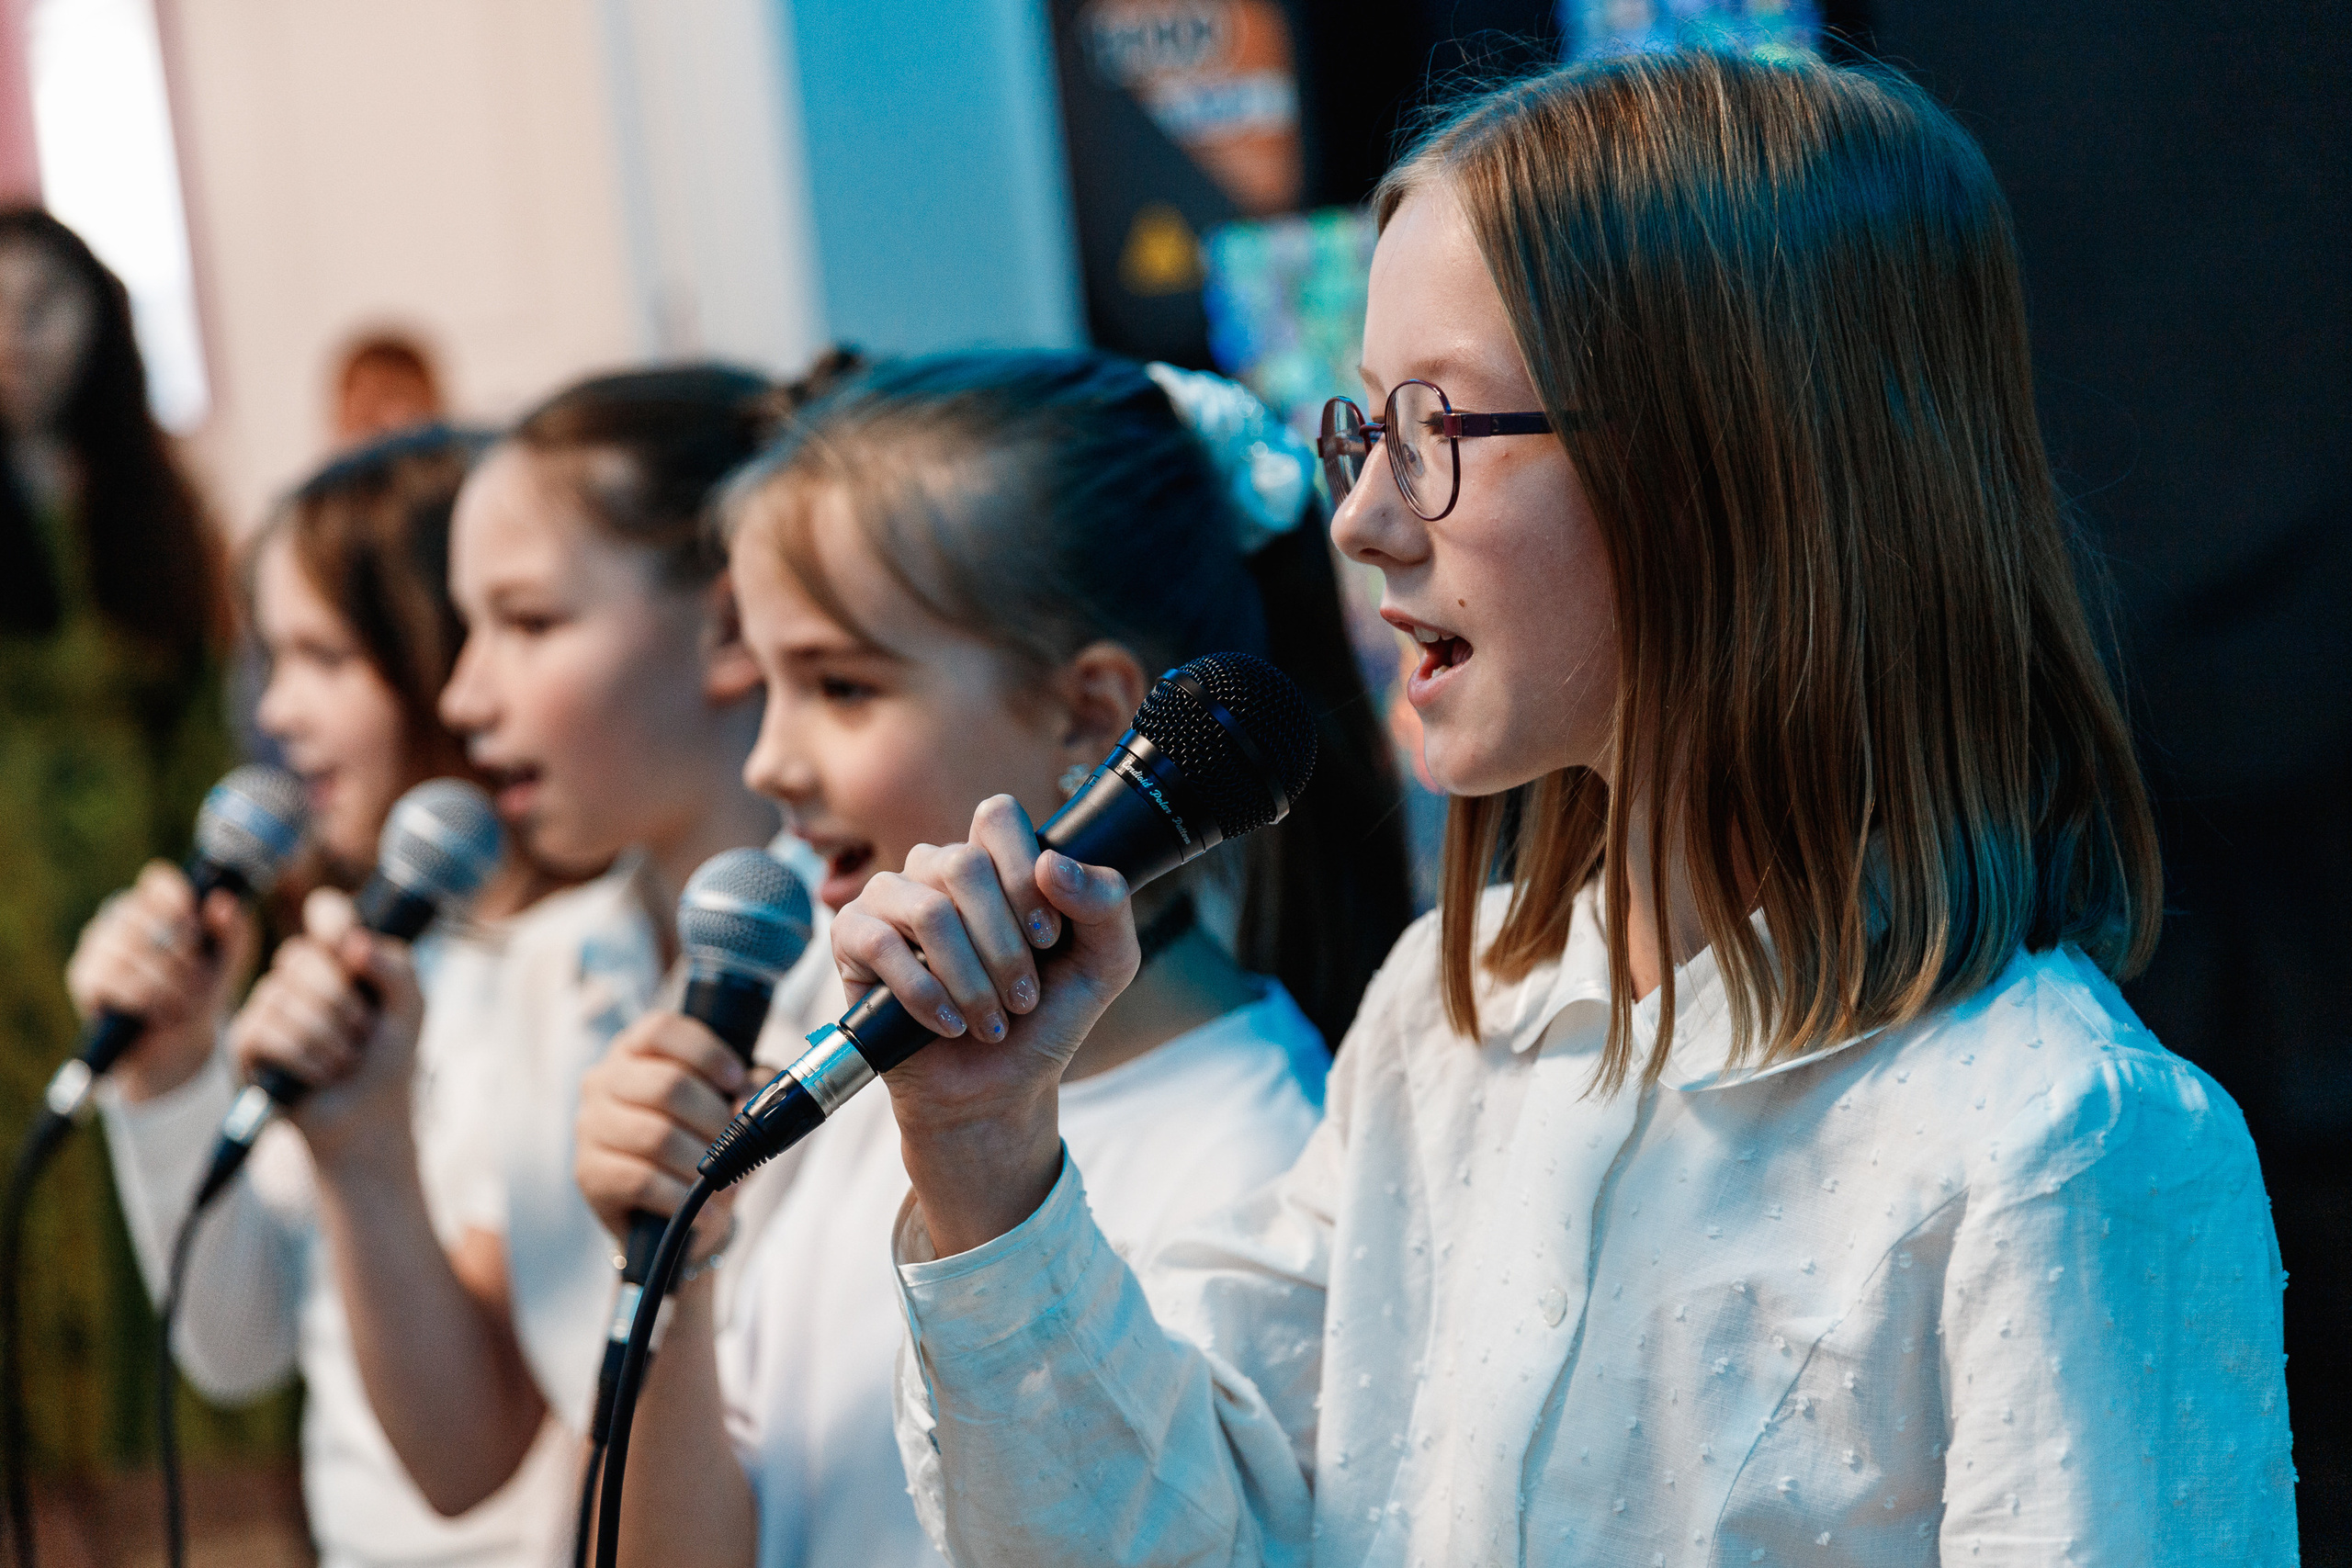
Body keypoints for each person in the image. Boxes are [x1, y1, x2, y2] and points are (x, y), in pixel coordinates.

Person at [831, 51, 2296, 1562]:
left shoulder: (2054, 1142)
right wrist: (988, 1156)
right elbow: (1181, 1541)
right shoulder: (1448, 1029)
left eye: (1436, 431)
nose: (1365, 521)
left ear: (1738, 464)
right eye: (1360, 430)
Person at [570, 351, 1415, 1567]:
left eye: (841, 686)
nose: (768, 762)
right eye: (768, 684)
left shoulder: (1252, 1152)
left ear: (1091, 718)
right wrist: (674, 1267)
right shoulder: (848, 1043)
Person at [220, 359, 859, 1540]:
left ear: (727, 625)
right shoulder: (557, 965)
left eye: (527, 622)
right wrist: (364, 1149)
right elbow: (466, 1454)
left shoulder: (882, 963)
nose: (464, 696)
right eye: (465, 632)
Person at [66, 425, 589, 1567]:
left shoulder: (581, 967)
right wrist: (169, 1078)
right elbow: (242, 1345)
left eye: (325, 659)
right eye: (267, 661)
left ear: (443, 654)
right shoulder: (374, 951)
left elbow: (487, 1446)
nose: (279, 713)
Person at [0, 207, 234, 1476]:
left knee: (137, 1150)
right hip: (5, 904)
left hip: (127, 891)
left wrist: (214, 886)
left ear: (98, 325)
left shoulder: (150, 500)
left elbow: (200, 723)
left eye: (43, 308)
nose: (15, 341)